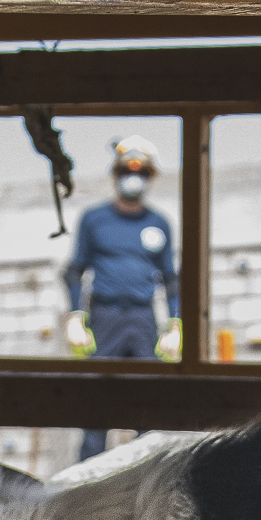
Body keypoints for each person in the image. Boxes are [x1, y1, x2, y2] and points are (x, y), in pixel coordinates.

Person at [62, 135, 181, 462]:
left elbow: (170, 279)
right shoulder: (95, 219)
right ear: (115, 175)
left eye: (142, 172)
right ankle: (83, 485)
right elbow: (75, 271)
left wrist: (175, 323)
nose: (134, 178)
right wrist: (75, 316)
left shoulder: (159, 224)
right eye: (128, 171)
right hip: (105, 317)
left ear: (150, 177)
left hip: (143, 319)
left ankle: (147, 474)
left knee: (148, 400)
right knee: (97, 401)